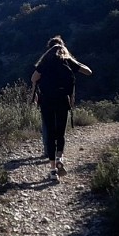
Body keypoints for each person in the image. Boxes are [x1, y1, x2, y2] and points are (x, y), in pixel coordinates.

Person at [30, 36, 92, 180]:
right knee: (61, 132)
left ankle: (52, 170)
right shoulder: (67, 60)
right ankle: (60, 159)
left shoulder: (45, 61)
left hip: (46, 101)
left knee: (50, 134)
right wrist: (75, 63)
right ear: (63, 47)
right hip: (63, 99)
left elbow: (34, 78)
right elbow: (88, 72)